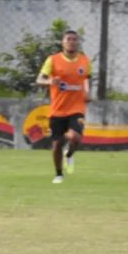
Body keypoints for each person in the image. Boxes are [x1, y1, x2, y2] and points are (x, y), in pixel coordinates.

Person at [36, 30, 91, 184]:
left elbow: (86, 78)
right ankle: (59, 174)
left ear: (78, 42)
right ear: (63, 42)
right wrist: (49, 82)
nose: (71, 42)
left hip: (77, 108)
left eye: (74, 39)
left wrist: (87, 92)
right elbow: (40, 79)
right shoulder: (52, 60)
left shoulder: (84, 60)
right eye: (68, 39)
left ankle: (69, 154)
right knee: (57, 143)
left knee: (75, 137)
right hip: (57, 109)